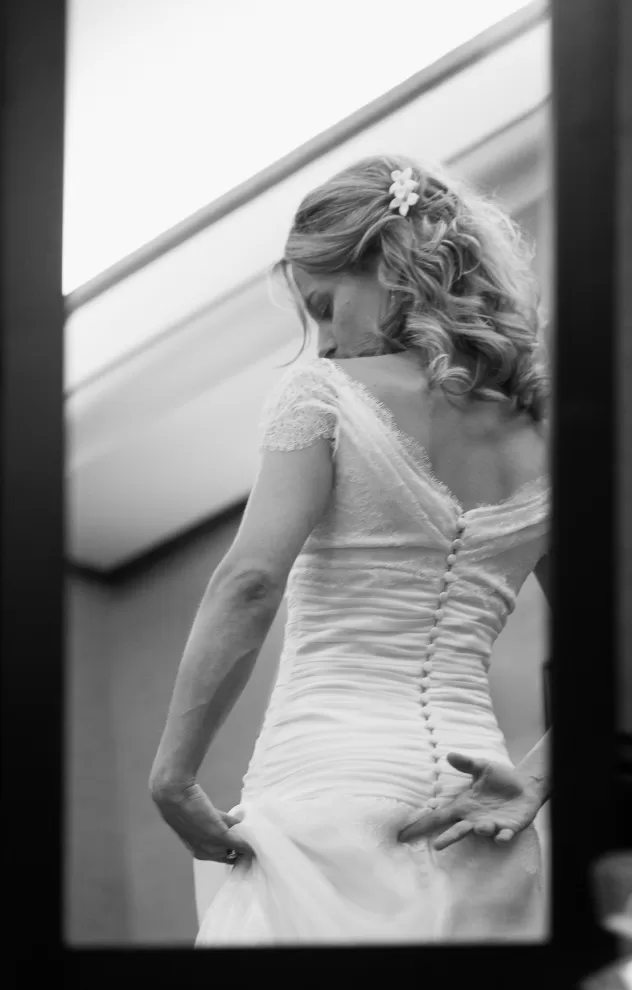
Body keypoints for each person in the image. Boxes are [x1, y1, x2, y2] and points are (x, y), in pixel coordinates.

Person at [149, 155, 553, 944]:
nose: (325, 340)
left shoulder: (322, 395)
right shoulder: (545, 434)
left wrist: (173, 773)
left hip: (327, 792)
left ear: (385, 261)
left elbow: (249, 583)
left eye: (324, 306)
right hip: (480, 812)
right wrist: (535, 783)